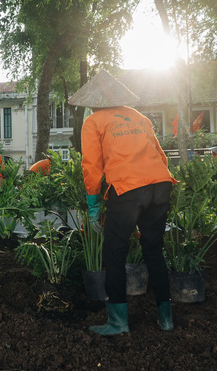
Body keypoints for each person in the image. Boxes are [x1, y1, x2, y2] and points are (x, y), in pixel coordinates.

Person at [69, 70, 175, 335]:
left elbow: (91, 166)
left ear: (92, 101)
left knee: (114, 253)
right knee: (154, 251)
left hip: (128, 189)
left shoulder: (93, 121)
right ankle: (166, 319)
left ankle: (117, 321)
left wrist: (93, 203)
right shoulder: (139, 117)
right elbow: (160, 154)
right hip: (161, 184)